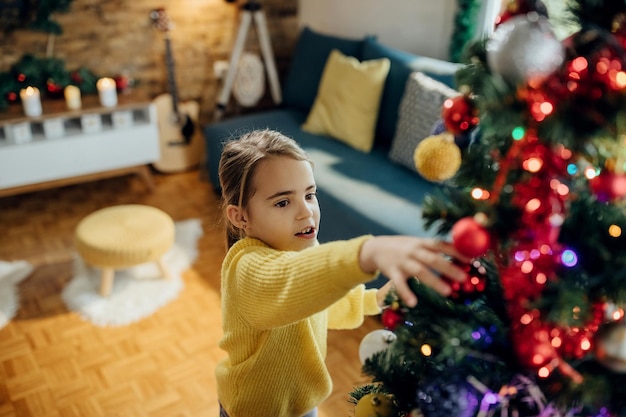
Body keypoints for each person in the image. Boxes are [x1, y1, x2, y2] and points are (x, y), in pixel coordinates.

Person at [215, 129, 469, 417]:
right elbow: (293, 281)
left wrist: (374, 300)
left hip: (303, 403)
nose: (306, 212)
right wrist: (367, 252)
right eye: (283, 202)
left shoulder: (303, 250)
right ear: (241, 217)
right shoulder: (245, 269)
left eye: (310, 195)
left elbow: (319, 302)